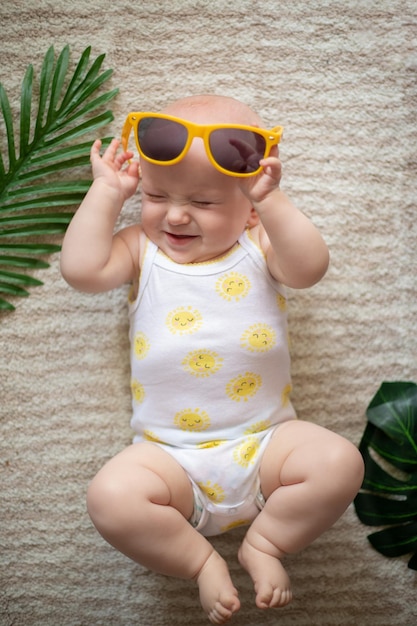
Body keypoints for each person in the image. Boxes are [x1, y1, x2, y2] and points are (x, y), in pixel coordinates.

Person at [60, 94, 364, 625]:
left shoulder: (259, 244)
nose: (175, 214)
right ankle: (201, 561)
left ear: (247, 206)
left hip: (267, 445)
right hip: (170, 458)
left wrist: (274, 204)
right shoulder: (140, 249)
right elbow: (82, 271)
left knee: (339, 462)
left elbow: (310, 267)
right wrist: (108, 193)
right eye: (156, 195)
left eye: (203, 203)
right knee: (110, 497)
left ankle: (265, 544)